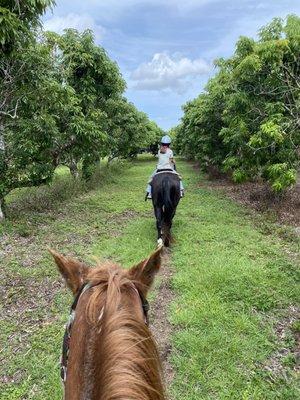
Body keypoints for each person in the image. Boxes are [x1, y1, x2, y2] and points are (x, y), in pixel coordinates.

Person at [145, 135, 184, 200]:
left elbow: (160, 160)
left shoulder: (159, 151)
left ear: (162, 143)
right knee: (178, 177)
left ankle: (149, 193)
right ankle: (180, 191)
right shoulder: (170, 151)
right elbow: (171, 161)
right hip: (169, 168)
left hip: (159, 169)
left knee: (151, 179)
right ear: (169, 144)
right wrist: (174, 161)